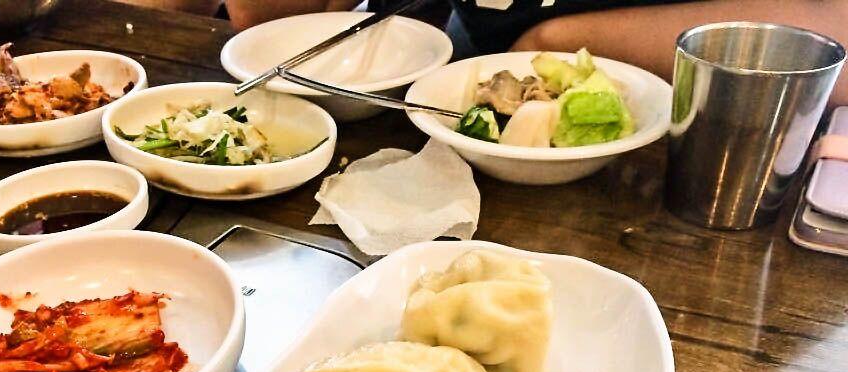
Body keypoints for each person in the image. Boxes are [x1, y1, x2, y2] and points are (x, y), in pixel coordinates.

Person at [224, 0, 848, 104]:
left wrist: (552, 43)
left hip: (714, 137)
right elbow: (266, 24)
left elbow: (831, 36)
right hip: (426, 97)